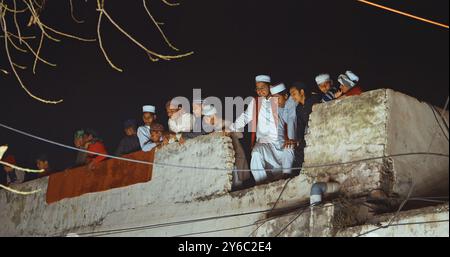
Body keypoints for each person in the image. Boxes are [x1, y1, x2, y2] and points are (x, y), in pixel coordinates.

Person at [229, 75, 281, 184]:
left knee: (279, 174)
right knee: (256, 153)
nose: (260, 91)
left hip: (279, 142)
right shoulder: (256, 102)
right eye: (257, 88)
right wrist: (231, 128)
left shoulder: (279, 99)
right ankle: (261, 184)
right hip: (263, 142)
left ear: (269, 87)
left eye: (262, 87)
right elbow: (245, 117)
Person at [202, 104, 250, 189]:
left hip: (234, 158)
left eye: (207, 117)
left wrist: (230, 131)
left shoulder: (226, 123)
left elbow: (240, 135)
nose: (205, 120)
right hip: (222, 161)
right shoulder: (211, 129)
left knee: (237, 186)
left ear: (213, 115)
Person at [290, 82, 322, 169]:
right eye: (291, 95)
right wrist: (298, 139)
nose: (292, 97)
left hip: (320, 131)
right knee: (299, 149)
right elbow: (300, 125)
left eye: (294, 94)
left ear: (302, 92)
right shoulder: (299, 108)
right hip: (310, 134)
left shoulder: (314, 100)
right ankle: (299, 172)